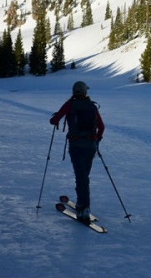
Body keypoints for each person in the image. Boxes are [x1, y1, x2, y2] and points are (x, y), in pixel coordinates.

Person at [50, 81, 104, 223]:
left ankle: (84, 207)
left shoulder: (70, 104)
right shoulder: (92, 106)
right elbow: (102, 127)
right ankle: (82, 202)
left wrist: (56, 118)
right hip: (91, 145)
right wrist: (96, 139)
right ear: (85, 92)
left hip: (76, 145)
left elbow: (54, 120)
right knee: (84, 175)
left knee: (81, 177)